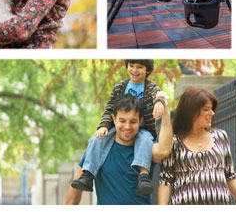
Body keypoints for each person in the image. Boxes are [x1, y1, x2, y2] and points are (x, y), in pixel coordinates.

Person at [70, 60, 168, 195]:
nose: (134, 70)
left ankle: (143, 175)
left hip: (142, 128)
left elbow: (159, 96)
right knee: (96, 138)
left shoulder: (151, 87)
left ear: (147, 70)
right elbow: (110, 108)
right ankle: (87, 175)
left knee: (145, 140)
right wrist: (104, 125)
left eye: (140, 67)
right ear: (127, 67)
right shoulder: (120, 87)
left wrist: (159, 102)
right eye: (131, 66)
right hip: (120, 127)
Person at [65, 94, 173, 205]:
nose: (127, 127)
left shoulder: (146, 146)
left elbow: (164, 150)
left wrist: (166, 112)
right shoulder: (98, 148)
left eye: (133, 121)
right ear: (114, 119)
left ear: (140, 121)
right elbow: (75, 190)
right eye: (122, 121)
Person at [158, 86, 236, 205]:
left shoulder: (220, 136)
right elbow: (165, 181)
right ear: (191, 111)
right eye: (206, 109)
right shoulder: (174, 142)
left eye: (212, 109)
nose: (212, 113)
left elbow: (230, 176)